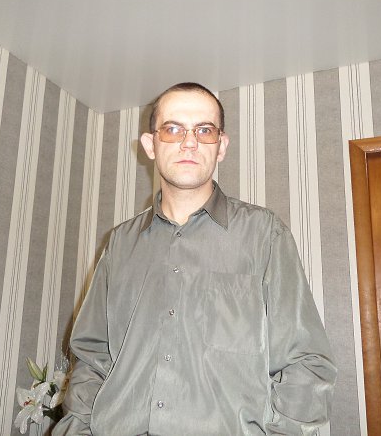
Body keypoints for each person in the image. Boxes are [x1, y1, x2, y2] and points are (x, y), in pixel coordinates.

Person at [53, 83, 336, 435]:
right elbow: (91, 357)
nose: (189, 142)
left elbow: (306, 362)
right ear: (150, 145)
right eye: (173, 129)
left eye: (204, 130)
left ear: (221, 146)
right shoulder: (120, 243)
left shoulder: (264, 234)